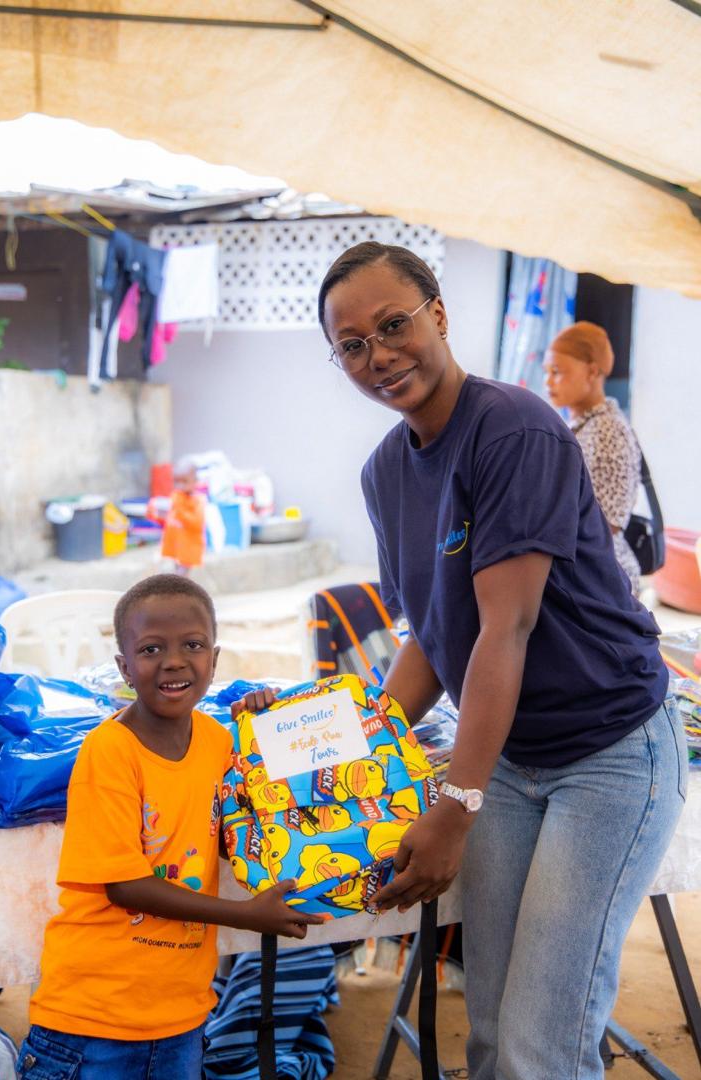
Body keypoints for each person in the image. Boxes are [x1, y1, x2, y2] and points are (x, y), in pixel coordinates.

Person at [318, 242, 687, 1080]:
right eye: (352, 345)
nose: (379, 355)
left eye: (393, 325)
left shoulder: (513, 429)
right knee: (488, 1029)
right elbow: (431, 636)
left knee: (539, 1042)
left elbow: (504, 629)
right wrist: (348, 754)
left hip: (608, 753)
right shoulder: (385, 475)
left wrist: (454, 805)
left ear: (439, 315)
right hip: (510, 760)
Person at [17, 574, 322, 1080]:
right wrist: (246, 915)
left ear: (215, 660)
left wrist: (265, 728)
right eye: (151, 648)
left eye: (193, 645)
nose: (174, 661)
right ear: (125, 668)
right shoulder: (110, 751)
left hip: (182, 1018)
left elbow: (251, 821)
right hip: (92, 1022)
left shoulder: (217, 741)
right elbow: (125, 885)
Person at [544, 320, 643, 593]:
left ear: (592, 372)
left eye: (557, 372)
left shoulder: (607, 430)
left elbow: (607, 524)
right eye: (546, 372)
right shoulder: (582, 425)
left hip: (602, 582)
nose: (548, 381)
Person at [158, 460, 206, 576]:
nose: (180, 486)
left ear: (195, 481)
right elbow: (170, 517)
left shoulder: (197, 501)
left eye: (184, 481)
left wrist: (180, 511)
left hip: (189, 547)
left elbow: (197, 523)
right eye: (176, 481)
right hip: (177, 546)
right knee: (177, 571)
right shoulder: (177, 497)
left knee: (181, 576)